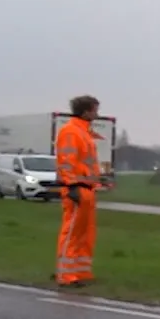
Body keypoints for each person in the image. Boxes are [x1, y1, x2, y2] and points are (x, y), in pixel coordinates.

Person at [53, 95, 108, 288]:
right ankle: (66, 274)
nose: (97, 113)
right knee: (73, 232)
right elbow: (66, 161)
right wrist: (71, 185)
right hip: (76, 188)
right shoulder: (71, 131)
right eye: (94, 110)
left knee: (86, 233)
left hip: (87, 188)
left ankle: (80, 271)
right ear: (85, 111)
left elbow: (86, 163)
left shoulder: (83, 132)